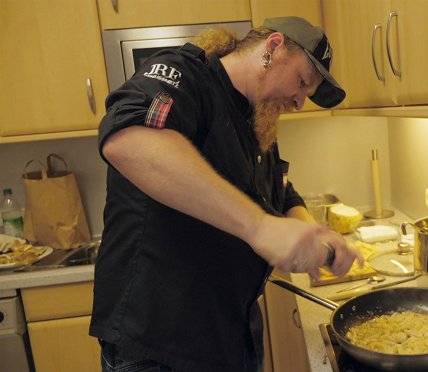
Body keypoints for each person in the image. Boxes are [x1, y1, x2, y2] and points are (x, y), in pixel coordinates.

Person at [90, 16, 361, 371]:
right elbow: (128, 141)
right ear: (273, 47)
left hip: (229, 335)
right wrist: (259, 227)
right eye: (301, 82)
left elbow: (280, 190)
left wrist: (312, 230)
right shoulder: (183, 76)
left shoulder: (257, 121)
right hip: (159, 345)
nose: (299, 102)